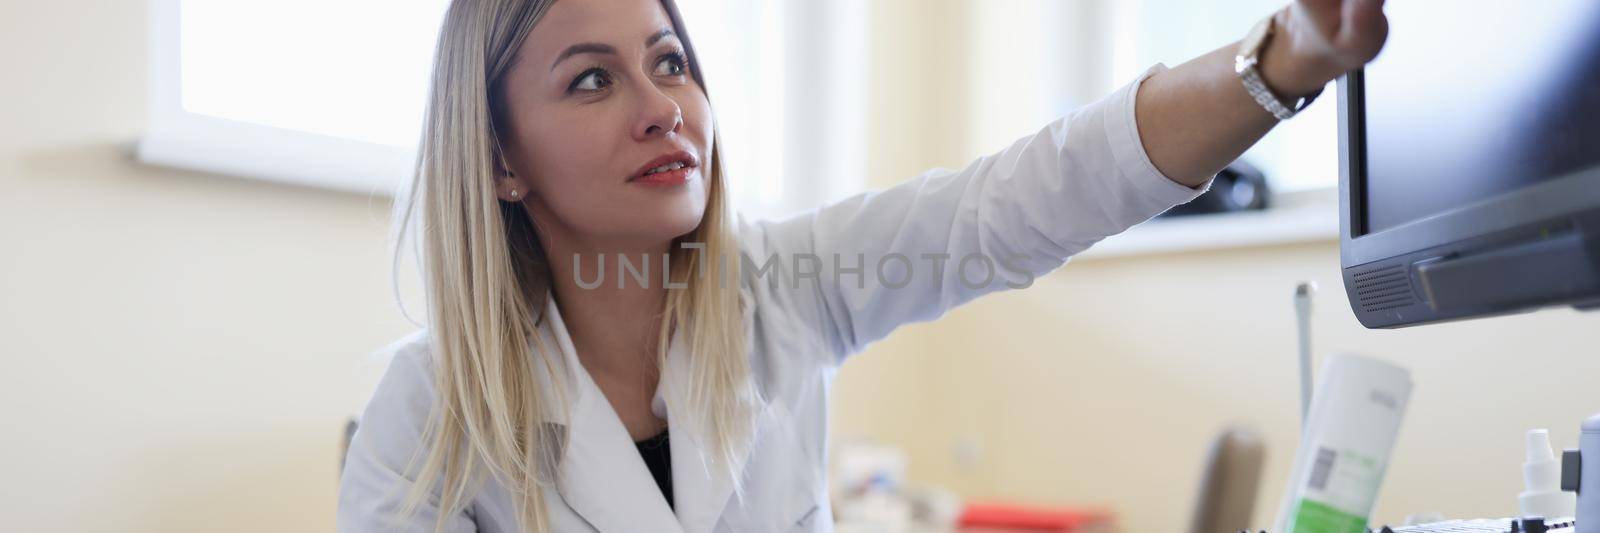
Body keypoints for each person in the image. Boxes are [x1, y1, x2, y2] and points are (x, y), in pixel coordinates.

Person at [336, 0, 1390, 531]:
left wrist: (1281, 60)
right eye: (590, 81)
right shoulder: (427, 412)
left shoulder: (787, 288)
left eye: (669, 63)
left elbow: (1024, 197)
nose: (662, 106)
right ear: (502, 161)